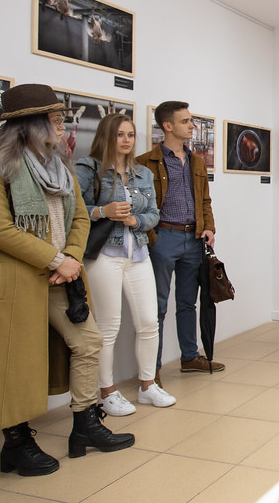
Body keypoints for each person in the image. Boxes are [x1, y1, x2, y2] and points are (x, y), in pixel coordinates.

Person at [0, 84, 133, 477]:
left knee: (88, 341)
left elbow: (80, 218)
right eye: (55, 120)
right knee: (15, 361)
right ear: (31, 125)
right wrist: (58, 258)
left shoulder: (61, 166)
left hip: (61, 276)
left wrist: (71, 258)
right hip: (15, 278)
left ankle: (85, 425)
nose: (61, 127)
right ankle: (17, 444)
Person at [77, 113, 175, 416]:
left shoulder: (142, 173)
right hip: (104, 255)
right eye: (120, 134)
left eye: (130, 135)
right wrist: (103, 211)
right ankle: (106, 391)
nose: (126, 140)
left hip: (138, 253)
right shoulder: (88, 169)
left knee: (149, 322)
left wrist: (137, 219)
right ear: (107, 136)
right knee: (108, 327)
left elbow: (155, 214)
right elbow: (74, 210)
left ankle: (148, 385)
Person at [137, 101, 224, 383]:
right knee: (157, 307)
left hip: (193, 239)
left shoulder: (196, 160)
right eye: (186, 121)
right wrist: (153, 237)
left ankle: (189, 357)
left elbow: (205, 200)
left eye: (191, 120)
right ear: (168, 126)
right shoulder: (145, 163)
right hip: (163, 237)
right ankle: (153, 369)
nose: (192, 125)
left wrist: (208, 227)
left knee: (188, 303)